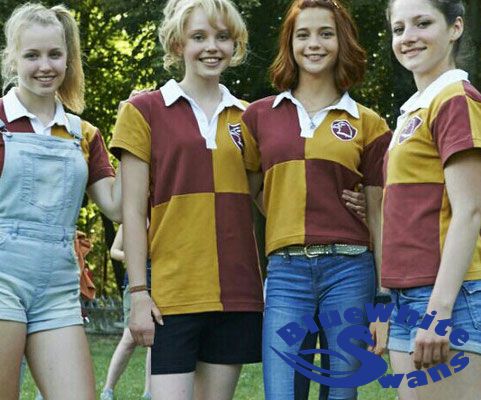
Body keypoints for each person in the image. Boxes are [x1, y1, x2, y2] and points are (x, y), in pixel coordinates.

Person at [110, 0, 264, 399]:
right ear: (178, 44)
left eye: (222, 37)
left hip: (235, 292)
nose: (212, 47)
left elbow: (266, 200)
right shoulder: (143, 110)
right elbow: (132, 211)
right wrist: (138, 294)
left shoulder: (250, 118)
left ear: (235, 44)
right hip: (171, 296)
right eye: (199, 36)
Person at [240, 0, 392, 398]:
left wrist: (383, 301)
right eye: (303, 34)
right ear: (289, 43)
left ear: (342, 41)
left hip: (351, 271)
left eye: (326, 33)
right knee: (281, 393)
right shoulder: (258, 116)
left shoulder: (369, 123)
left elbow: (379, 217)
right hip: (286, 273)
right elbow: (251, 192)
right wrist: (290, 213)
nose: (314, 44)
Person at [0, 3, 121, 400]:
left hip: (57, 289)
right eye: (31, 55)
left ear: (68, 58)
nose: (44, 66)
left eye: (54, 54)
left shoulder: (82, 134)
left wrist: (137, 138)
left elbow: (117, 207)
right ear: (12, 59)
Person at [383, 0, 481, 399]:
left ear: (455, 28)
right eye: (399, 28)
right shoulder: (416, 108)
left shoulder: (455, 99)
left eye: (423, 23)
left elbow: (470, 211)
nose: (408, 37)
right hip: (407, 296)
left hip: (446, 298)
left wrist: (438, 312)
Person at [101, 225, 152, 400]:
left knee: (155, 339)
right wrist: (134, 256)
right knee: (129, 338)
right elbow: (114, 251)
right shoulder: (130, 220)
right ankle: (107, 390)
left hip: (161, 283)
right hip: (135, 285)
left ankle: (149, 393)